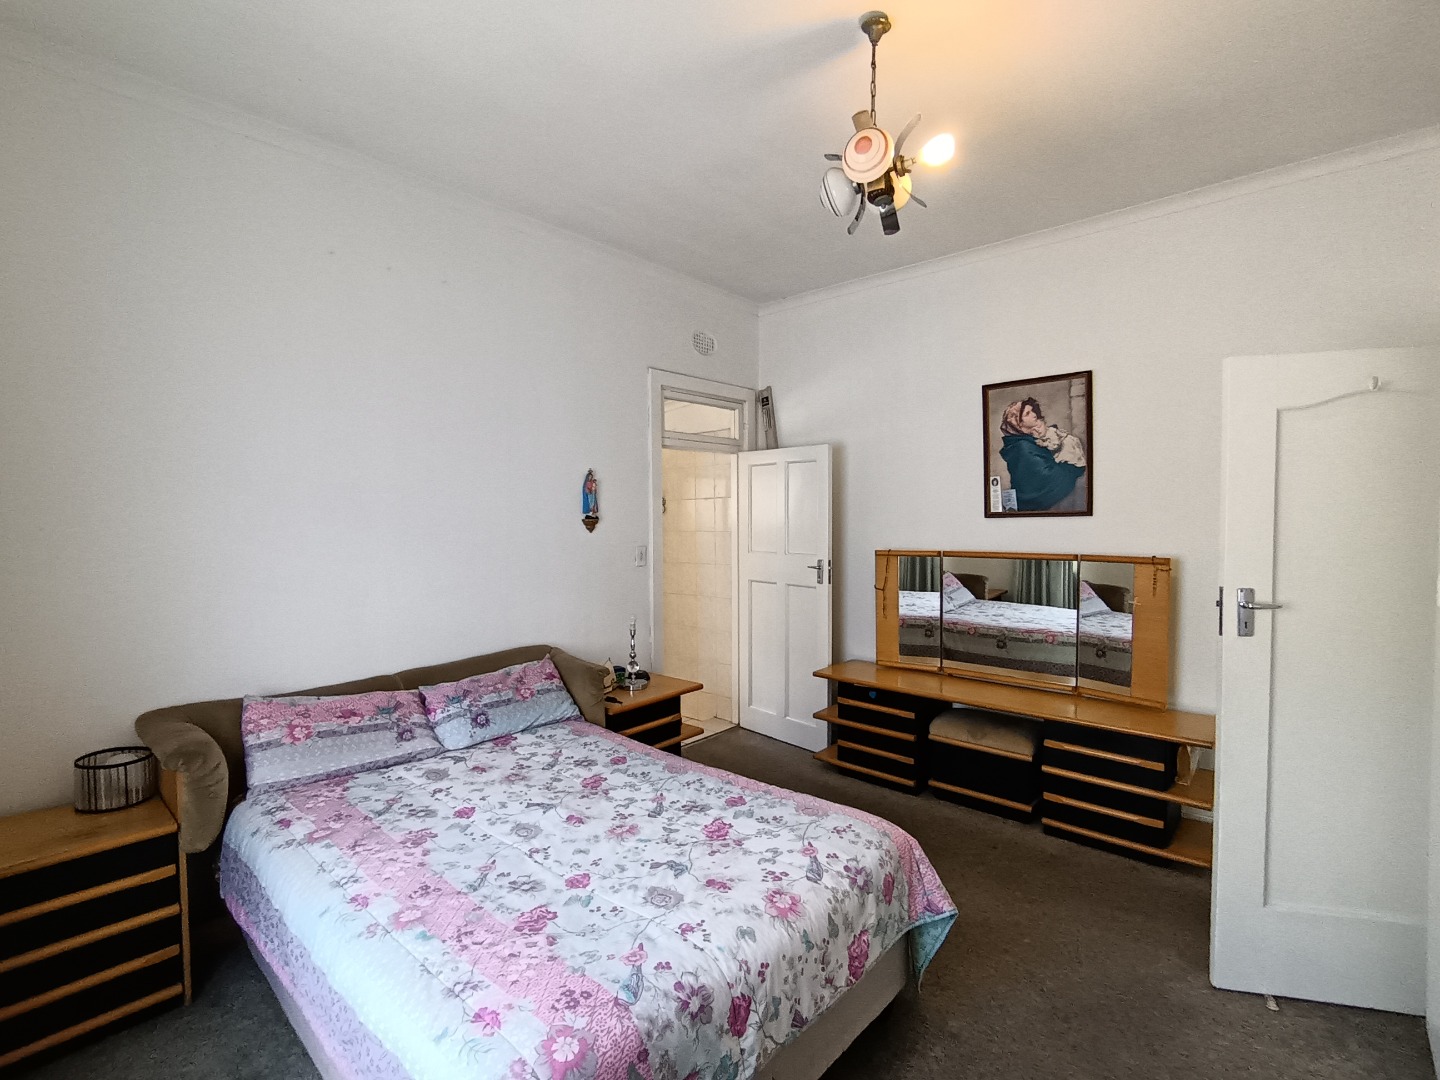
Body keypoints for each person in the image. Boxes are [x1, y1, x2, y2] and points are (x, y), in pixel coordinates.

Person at [998, 397, 1087, 511]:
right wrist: (1070, 469)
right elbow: (1046, 477)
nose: (1034, 415)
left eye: (1032, 411)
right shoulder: (1022, 447)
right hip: (1033, 501)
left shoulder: (1030, 439)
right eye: (1027, 414)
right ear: (1018, 424)